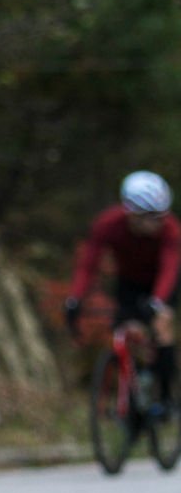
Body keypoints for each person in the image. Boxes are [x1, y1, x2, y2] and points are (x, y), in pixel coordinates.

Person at [65, 170, 179, 397]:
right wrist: (75, 298)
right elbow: (88, 265)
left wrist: (157, 302)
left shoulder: (171, 230)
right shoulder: (108, 224)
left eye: (160, 215)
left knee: (162, 324)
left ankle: (167, 396)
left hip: (162, 282)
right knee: (126, 332)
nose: (158, 222)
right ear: (132, 213)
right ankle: (133, 388)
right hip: (129, 281)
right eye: (150, 216)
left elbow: (169, 269)